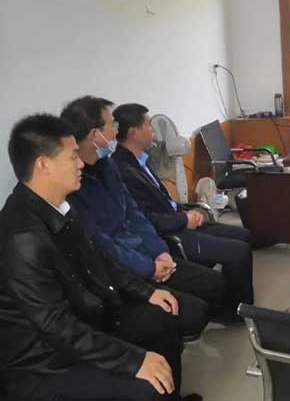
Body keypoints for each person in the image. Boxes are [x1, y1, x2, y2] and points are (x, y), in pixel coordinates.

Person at [0, 114, 196, 401]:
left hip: (85, 317)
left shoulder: (62, 207)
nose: (81, 164)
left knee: (163, 317)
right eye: (72, 157)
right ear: (43, 165)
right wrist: (133, 360)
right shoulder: (22, 237)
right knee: (145, 388)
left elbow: (99, 259)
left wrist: (147, 291)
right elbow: (55, 325)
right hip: (45, 361)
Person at [60, 96, 227, 335]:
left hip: (145, 253)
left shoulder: (108, 165)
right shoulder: (73, 186)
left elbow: (135, 214)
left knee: (213, 283)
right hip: (122, 270)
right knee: (191, 312)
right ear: (95, 134)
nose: (116, 131)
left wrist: (159, 252)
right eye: (112, 125)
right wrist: (149, 268)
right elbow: (103, 246)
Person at [112, 103, 254, 318]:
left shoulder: (141, 160)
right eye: (148, 125)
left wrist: (185, 213)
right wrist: (183, 219)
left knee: (244, 235)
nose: (153, 129)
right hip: (170, 233)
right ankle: (233, 313)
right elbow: (146, 219)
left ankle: (232, 300)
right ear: (134, 132)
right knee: (238, 251)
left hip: (178, 218)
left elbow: (162, 201)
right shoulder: (122, 169)